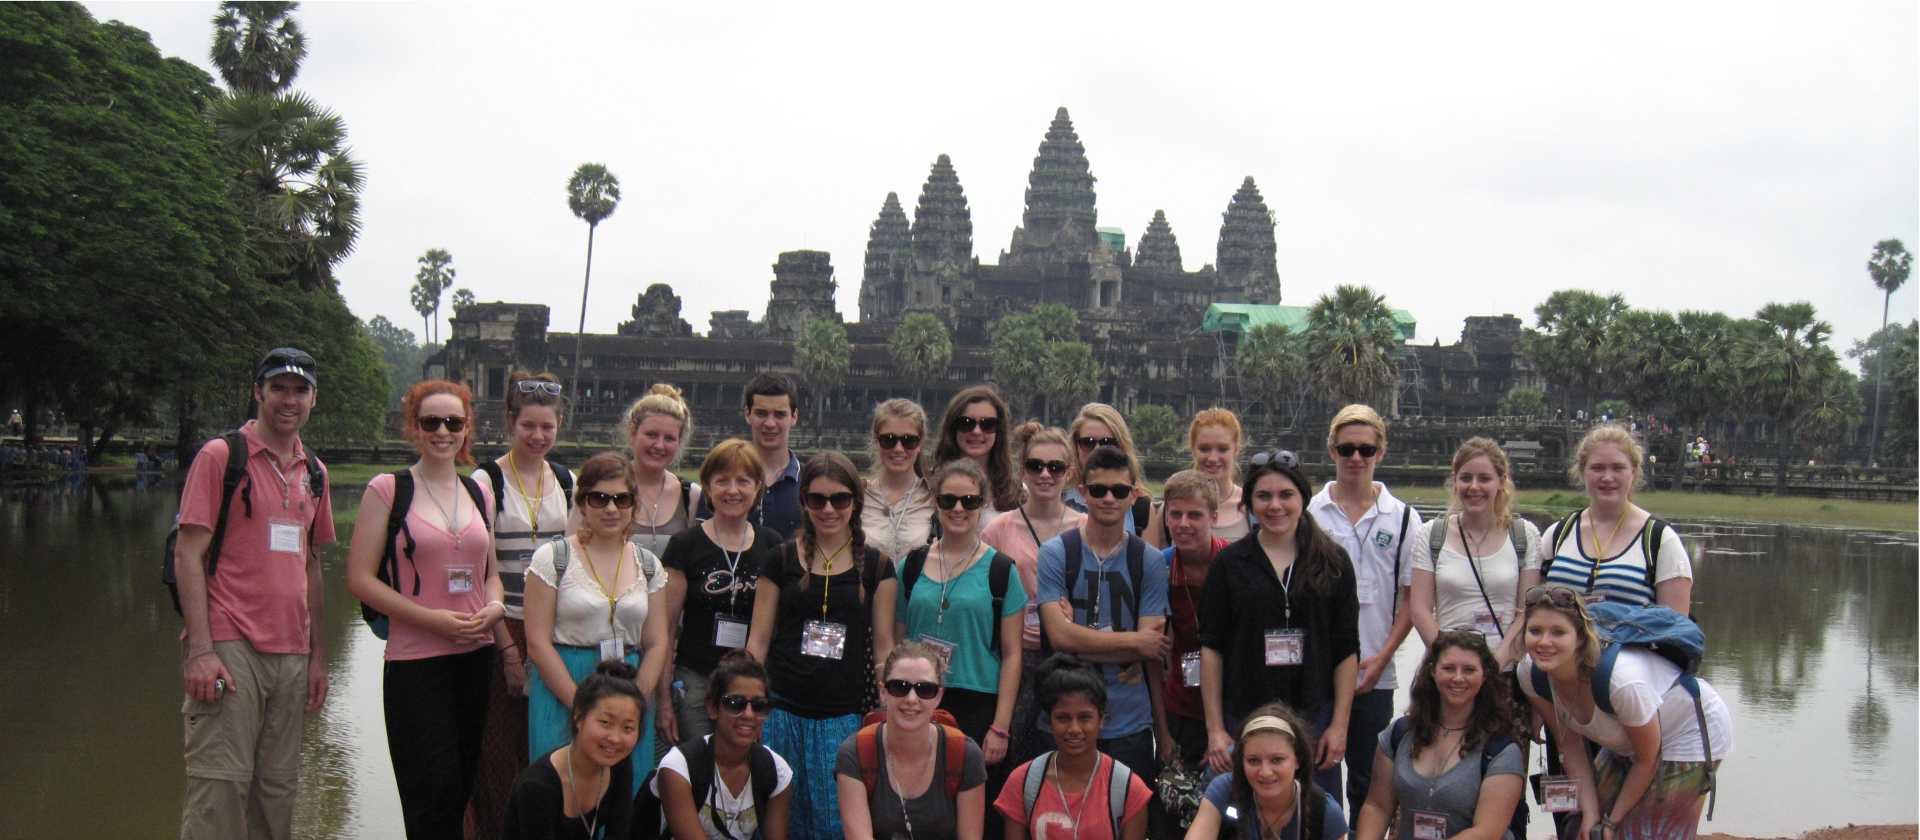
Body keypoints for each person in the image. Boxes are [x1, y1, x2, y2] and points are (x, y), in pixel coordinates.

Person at [174, 347, 336, 840]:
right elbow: (188, 555)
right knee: (219, 792)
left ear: (313, 398)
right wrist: (201, 651)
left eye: (300, 390)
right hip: (230, 643)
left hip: (291, 651)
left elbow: (311, 564)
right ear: (258, 392)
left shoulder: (315, 472)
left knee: (277, 793)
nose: (289, 400)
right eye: (279, 389)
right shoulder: (223, 457)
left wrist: (318, 657)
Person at [346, 379, 507, 839]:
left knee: (459, 791)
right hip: (416, 660)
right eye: (430, 422)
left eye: (453, 422)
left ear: (466, 428)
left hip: (474, 658)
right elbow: (359, 578)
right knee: (427, 795)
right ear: (414, 428)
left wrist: (495, 608)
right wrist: (429, 619)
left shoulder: (479, 493)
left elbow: (489, 572)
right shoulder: (389, 490)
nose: (442, 431)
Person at [747, 452, 899, 840]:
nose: (828, 509)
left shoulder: (877, 567)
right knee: (781, 816)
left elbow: (883, 647)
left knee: (837, 820)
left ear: (855, 503)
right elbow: (758, 641)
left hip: (844, 713)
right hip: (783, 707)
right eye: (817, 499)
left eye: (839, 499)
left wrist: (890, 699)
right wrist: (749, 701)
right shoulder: (779, 559)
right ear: (803, 502)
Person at [1198, 449, 1358, 802]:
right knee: (1243, 817)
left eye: (1286, 495)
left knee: (1314, 816)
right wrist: (1215, 730)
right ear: (1249, 503)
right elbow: (1211, 648)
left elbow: (1347, 649)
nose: (1275, 506)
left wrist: (1339, 725)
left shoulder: (1333, 561)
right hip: (1244, 713)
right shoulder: (1229, 564)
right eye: (1263, 496)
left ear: (1303, 497)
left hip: (1314, 715)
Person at [1516, 587, 1733, 839]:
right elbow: (1569, 743)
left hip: (1689, 731)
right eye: (1535, 631)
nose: (1544, 642)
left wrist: (1611, 822)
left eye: (1558, 632)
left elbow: (1646, 759)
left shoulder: (1622, 682)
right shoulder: (1531, 674)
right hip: (1629, 741)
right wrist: (1591, 812)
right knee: (1579, 827)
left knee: (1637, 833)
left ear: (1581, 638)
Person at [524, 452, 670, 793]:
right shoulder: (554, 559)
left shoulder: (649, 565)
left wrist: (633, 701)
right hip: (565, 685)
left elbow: (657, 642)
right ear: (582, 502)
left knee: (623, 796)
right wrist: (582, 705)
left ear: (634, 504)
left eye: (621, 499)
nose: (610, 508)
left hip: (628, 686)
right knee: (560, 793)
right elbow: (537, 642)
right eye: (599, 498)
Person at [471, 370, 574, 839]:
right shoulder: (486, 481)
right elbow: (481, 570)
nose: (538, 436)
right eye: (528, 425)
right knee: (496, 750)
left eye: (547, 427)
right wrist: (507, 651)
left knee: (547, 744)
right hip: (501, 627)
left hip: (552, 632)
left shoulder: (568, 482)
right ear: (510, 422)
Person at [1303, 405, 1418, 810]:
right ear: (1331, 450)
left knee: (1370, 781)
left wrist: (1384, 656)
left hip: (1375, 669)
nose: (1356, 458)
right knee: (1315, 778)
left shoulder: (1403, 518)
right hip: (1316, 669)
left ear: (1380, 453)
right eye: (1346, 448)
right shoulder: (1308, 513)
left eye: (1365, 450)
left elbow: (1411, 599)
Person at [1034, 445, 1168, 787]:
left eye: (1119, 491)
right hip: (1065, 714)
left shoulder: (1149, 560)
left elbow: (1151, 648)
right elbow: (1058, 637)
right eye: (1098, 490)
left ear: (1133, 496)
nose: (1109, 498)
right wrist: (1133, 641)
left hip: (1129, 719)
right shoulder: (1056, 553)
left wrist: (1077, 642)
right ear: (1083, 493)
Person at [894, 458, 1027, 762]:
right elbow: (896, 641)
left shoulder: (1001, 571)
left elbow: (1012, 654)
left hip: (977, 701)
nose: (958, 508)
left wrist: (1001, 727)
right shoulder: (911, 566)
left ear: (982, 505)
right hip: (916, 696)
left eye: (969, 501)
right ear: (935, 503)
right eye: (948, 500)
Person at [660, 440, 784, 746]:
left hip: (750, 686)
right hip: (696, 679)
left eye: (743, 481)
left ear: (758, 488)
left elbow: (768, 628)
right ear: (707, 487)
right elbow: (665, 629)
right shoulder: (685, 545)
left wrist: (749, 686)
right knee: (698, 763)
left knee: (742, 767)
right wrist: (663, 700)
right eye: (722, 481)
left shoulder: (772, 545)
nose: (733, 490)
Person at [980, 422, 1086, 767]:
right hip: (1016, 657)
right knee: (1018, 759)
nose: (1045, 475)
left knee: (1067, 752)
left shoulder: (1085, 528)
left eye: (1055, 467)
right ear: (1022, 469)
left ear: (1069, 472)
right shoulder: (999, 528)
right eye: (1035, 466)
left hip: (1070, 654)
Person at [1352, 631, 1525, 840]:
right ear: (1433, 671)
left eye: (1469, 670)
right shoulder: (1398, 735)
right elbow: (1377, 806)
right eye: (1449, 668)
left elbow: (1486, 832)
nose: (1458, 677)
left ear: (1484, 676)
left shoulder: (1501, 751)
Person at [1407, 438, 1543, 668]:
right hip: (1448, 671)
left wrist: (1495, 665)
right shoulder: (1431, 536)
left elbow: (1526, 612)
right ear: (1455, 482)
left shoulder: (1524, 536)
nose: (1474, 487)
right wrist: (1451, 661)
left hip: (1505, 668)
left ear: (1501, 482)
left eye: (1484, 478)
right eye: (1466, 478)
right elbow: (1420, 610)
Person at [836, 641, 990, 840]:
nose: (911, 699)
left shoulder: (964, 754)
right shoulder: (855, 752)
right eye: (899, 687)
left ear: (938, 696)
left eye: (924, 689)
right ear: (883, 692)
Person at [995, 655, 1154, 840]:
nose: (1074, 729)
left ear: (1101, 720)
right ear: (1049, 721)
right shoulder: (1023, 782)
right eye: (1063, 718)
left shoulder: (1129, 789)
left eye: (1085, 717)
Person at [1538, 425, 1693, 612]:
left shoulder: (1660, 541)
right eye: (1597, 468)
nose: (1607, 477)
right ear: (1582, 471)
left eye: (1618, 468)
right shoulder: (1557, 534)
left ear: (1634, 472)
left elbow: (1676, 633)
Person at [652, 652, 794, 840]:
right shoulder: (678, 767)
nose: (749, 714)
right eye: (735, 703)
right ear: (712, 707)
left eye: (759, 706)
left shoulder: (777, 771)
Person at [503, 660, 645, 839]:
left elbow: (619, 832)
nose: (615, 739)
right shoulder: (537, 786)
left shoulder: (619, 763)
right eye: (605, 723)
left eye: (628, 728)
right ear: (578, 716)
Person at [1153, 471, 1230, 793]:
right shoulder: (1159, 567)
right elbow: (1152, 654)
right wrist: (1163, 733)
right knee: (1176, 800)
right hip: (1181, 703)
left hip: (1231, 704)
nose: (1183, 524)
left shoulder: (1235, 563)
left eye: (1195, 515)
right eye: (1176, 514)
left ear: (1214, 516)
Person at [1185, 703, 1348, 840]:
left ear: (1298, 760)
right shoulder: (1224, 790)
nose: (1265, 772)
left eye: (1277, 760)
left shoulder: (1325, 813)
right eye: (1253, 761)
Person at [700, 373, 803, 539]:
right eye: (761, 413)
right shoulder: (721, 482)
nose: (770, 423)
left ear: (794, 417)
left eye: (779, 414)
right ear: (748, 414)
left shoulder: (809, 483)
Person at [1148, 409, 1250, 547]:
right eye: (1204, 449)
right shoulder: (1171, 508)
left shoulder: (1250, 508)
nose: (1213, 458)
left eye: (1222, 449)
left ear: (1236, 450)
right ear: (1193, 450)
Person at [626, 383, 702, 561]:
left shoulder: (691, 497)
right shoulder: (603, 489)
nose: (659, 445)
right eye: (652, 435)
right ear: (633, 433)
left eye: (669, 438)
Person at [1062, 404, 1153, 542]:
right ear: (1075, 447)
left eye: (1107, 443)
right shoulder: (1058, 499)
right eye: (1088, 442)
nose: (1097, 450)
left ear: (1122, 447)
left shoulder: (1140, 506)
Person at [932, 385, 1022, 521]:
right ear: (953, 428)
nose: (976, 432)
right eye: (966, 423)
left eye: (988, 424)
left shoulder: (1018, 492)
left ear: (999, 431)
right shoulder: (929, 486)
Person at [862, 399, 935, 562]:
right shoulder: (857, 496)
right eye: (889, 440)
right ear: (876, 441)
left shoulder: (936, 498)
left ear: (920, 443)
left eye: (909, 441)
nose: (898, 449)